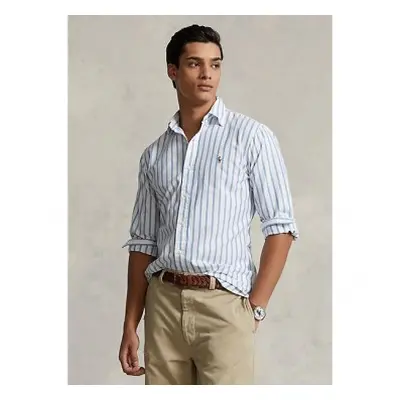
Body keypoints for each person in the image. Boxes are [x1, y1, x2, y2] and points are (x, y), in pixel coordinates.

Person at [118, 24, 299, 385]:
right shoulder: (154, 155)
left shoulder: (251, 137)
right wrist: (130, 324)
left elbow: (281, 228)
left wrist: (255, 308)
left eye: (215, 64)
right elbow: (143, 244)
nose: (207, 74)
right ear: (172, 71)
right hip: (163, 307)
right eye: (194, 63)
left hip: (224, 307)